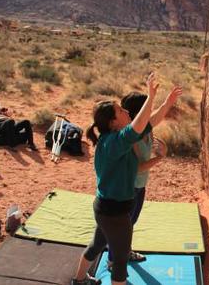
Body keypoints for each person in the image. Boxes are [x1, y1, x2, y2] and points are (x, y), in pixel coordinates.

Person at [71, 73, 182, 285]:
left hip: (105, 208)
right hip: (114, 211)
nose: (126, 111)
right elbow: (139, 123)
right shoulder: (116, 142)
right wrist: (150, 96)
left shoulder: (114, 138)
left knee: (97, 244)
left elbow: (149, 122)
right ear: (113, 122)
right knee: (120, 260)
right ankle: (79, 280)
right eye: (121, 111)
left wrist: (167, 102)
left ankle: (78, 280)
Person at [105, 92, 168, 264]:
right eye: (147, 107)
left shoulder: (146, 128)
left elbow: (158, 115)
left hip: (139, 186)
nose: (151, 110)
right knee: (121, 226)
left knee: (130, 223)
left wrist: (168, 100)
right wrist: (160, 158)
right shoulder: (130, 137)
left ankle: (126, 252)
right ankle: (113, 260)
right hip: (128, 188)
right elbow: (136, 168)